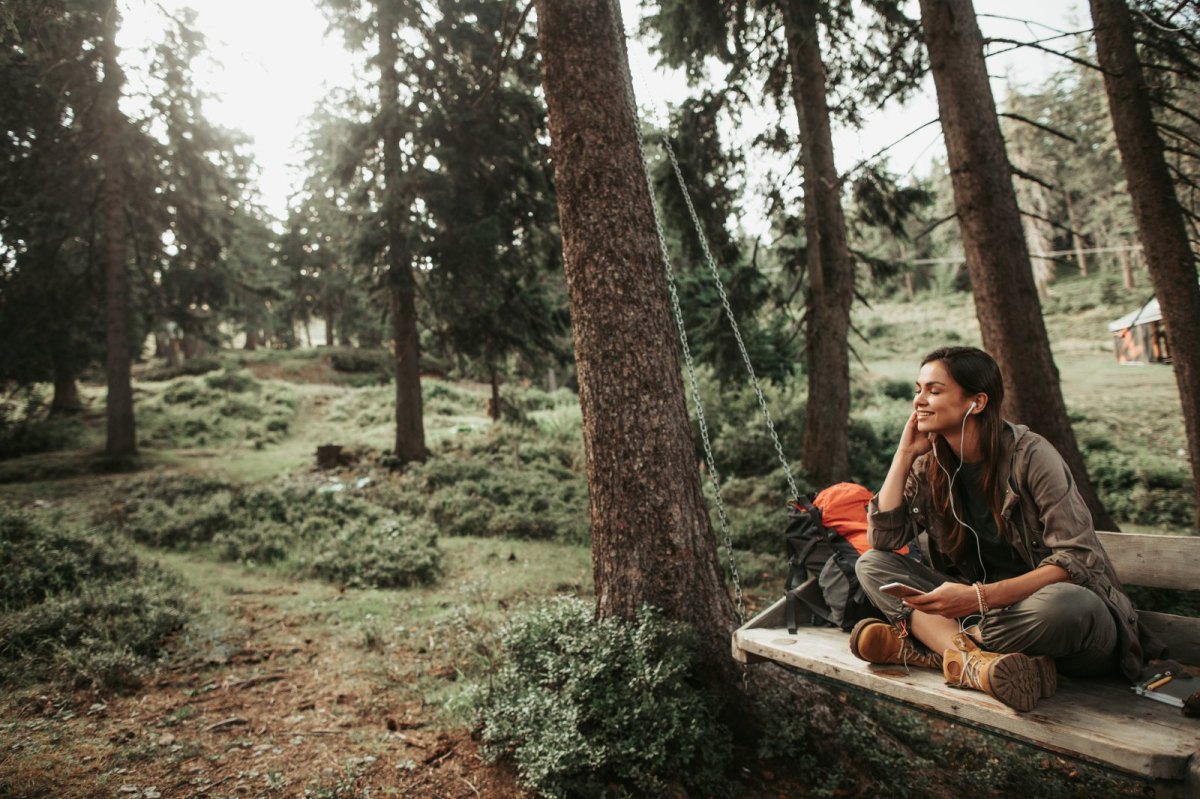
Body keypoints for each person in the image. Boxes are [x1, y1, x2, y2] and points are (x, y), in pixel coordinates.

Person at [848, 346, 1163, 712]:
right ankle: (974, 663)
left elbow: (1077, 560)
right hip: (980, 614)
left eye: (934, 390)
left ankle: (938, 653)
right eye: (917, 389)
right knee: (871, 564)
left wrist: (979, 599)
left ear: (977, 402)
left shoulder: (1032, 457)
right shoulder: (931, 466)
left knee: (1067, 603)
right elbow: (884, 540)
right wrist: (904, 454)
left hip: (1059, 624)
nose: (919, 400)